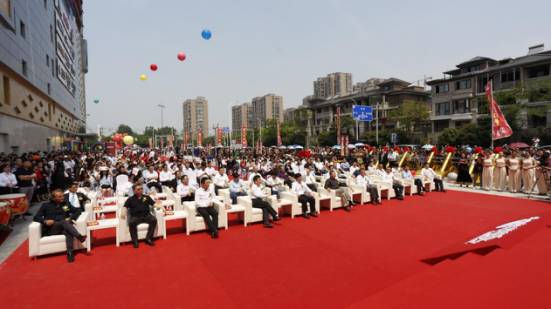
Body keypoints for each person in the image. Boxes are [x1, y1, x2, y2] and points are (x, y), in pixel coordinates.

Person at [33, 190, 87, 263]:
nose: (62, 198)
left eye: (62, 196)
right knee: (64, 222)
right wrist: (45, 221)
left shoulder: (65, 204)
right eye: (60, 197)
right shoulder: (46, 205)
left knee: (68, 231)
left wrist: (72, 218)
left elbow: (78, 210)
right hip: (51, 228)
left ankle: (70, 252)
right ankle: (79, 236)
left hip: (64, 227)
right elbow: (36, 217)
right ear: (53, 198)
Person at [122, 184, 158, 248]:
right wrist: (123, 212)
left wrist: (159, 206)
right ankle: (135, 241)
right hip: (135, 217)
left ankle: (148, 238)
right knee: (131, 223)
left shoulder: (146, 197)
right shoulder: (130, 199)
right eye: (138, 189)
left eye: (141, 189)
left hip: (146, 215)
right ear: (134, 191)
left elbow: (154, 204)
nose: (140, 190)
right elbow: (125, 207)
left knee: (154, 220)